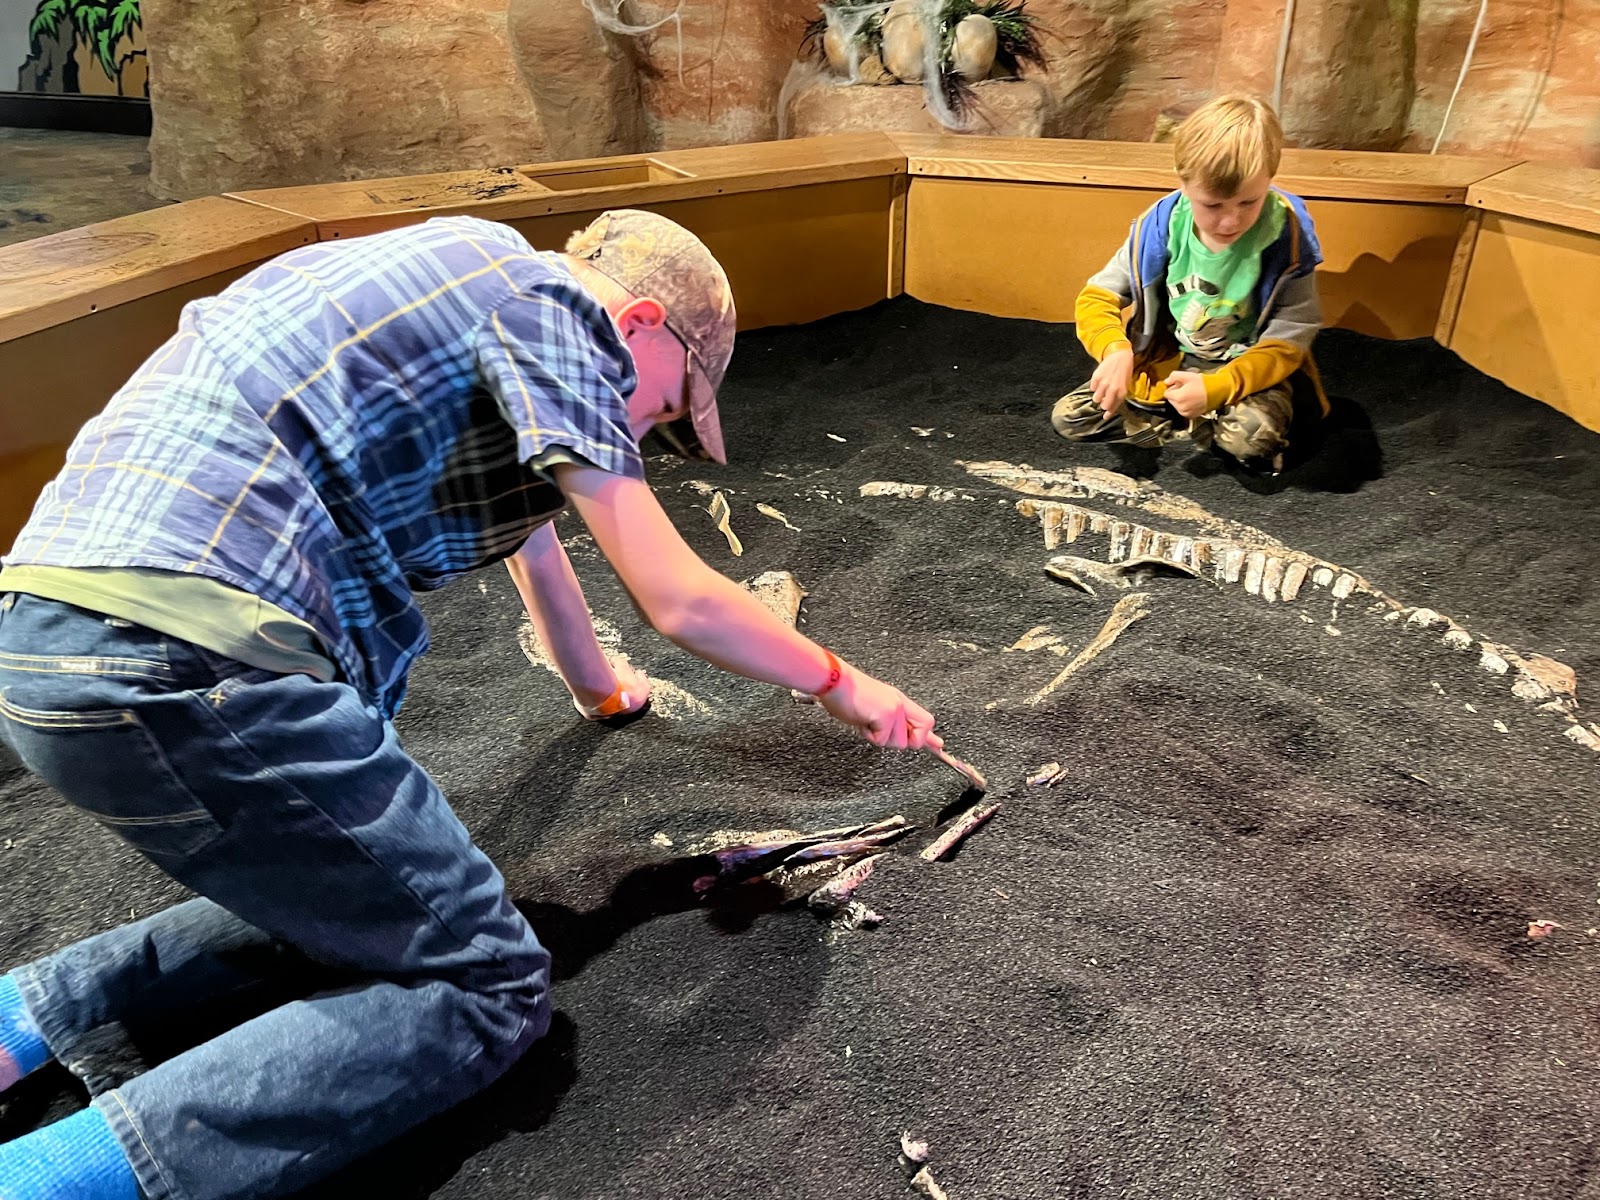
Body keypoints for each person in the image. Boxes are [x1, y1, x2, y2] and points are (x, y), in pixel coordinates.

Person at [0, 208, 940, 1200]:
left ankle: (23, 1021)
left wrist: (600, 690)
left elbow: (533, 542)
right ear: (643, 327)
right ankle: (49, 1182)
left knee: (361, 899)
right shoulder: (558, 310)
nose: (646, 435)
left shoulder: (448, 287)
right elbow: (678, 597)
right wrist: (843, 682)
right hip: (196, 651)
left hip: (50, 632)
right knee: (483, 981)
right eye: (666, 409)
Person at [1050, 95, 1326, 475]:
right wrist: (1114, 351)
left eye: (1249, 202)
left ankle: (1195, 422)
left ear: (1270, 180)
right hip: (1173, 359)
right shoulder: (1159, 227)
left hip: (1244, 368)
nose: (1231, 221)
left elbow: (1289, 339)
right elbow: (1097, 296)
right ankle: (1187, 425)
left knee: (1252, 439)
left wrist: (1219, 388)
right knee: (1071, 418)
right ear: (1183, 182)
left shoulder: (1289, 237)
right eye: (1213, 206)